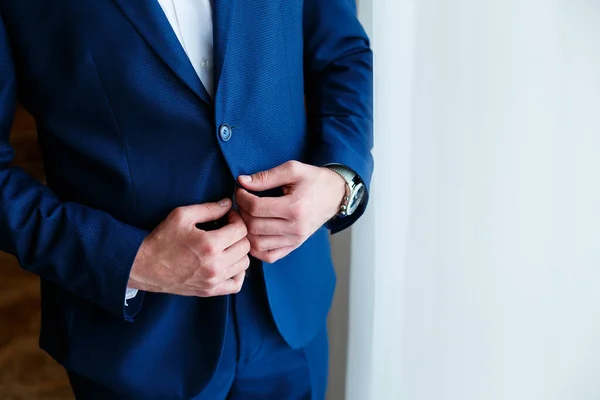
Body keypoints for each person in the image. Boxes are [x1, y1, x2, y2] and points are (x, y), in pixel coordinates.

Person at [0, 0, 373, 398]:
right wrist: (129, 259)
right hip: (134, 346)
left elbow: (343, 54)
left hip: (291, 312)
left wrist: (340, 180)